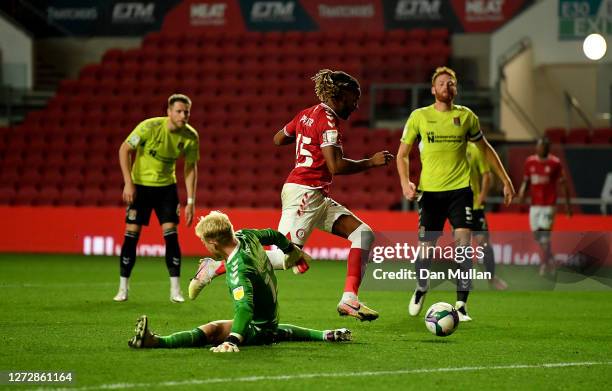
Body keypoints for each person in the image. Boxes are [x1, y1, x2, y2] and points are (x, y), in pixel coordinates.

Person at [191, 69, 394, 321]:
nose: (356, 104)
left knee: (363, 234)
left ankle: (349, 299)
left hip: (315, 193)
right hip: (305, 193)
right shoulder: (329, 121)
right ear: (340, 95)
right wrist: (370, 162)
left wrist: (304, 136)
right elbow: (336, 166)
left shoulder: (306, 114)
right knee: (283, 257)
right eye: (354, 98)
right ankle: (213, 267)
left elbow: (278, 139)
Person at [127, 211, 352, 352]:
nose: (205, 246)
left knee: (214, 330)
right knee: (274, 330)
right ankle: (324, 334)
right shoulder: (247, 236)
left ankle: (156, 342)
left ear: (213, 241)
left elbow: (244, 309)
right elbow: (273, 234)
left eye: (205, 243)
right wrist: (290, 249)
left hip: (258, 326)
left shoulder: (238, 271)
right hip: (270, 318)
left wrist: (233, 340)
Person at [396, 67, 515, 322]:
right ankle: (421, 287)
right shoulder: (419, 117)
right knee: (425, 249)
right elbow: (402, 155)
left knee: (463, 249)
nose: (447, 86)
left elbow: (486, 150)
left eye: (451, 83)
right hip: (430, 194)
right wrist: (406, 182)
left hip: (460, 192)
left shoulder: (467, 117)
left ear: (455, 89)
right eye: (442, 83)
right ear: (433, 89)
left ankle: (461, 305)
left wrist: (505, 180)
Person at [113, 94, 199, 303]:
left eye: (186, 111)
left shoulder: (190, 136)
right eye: (178, 111)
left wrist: (190, 201)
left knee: (171, 235)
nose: (183, 115)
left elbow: (190, 168)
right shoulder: (148, 127)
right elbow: (125, 149)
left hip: (166, 190)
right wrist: (128, 182)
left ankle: (175, 290)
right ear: (168, 112)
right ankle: (123, 288)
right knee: (131, 235)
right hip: (140, 187)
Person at [517, 137, 571, 275]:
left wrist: (567, 205)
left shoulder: (555, 163)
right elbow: (526, 180)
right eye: (539, 146)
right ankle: (551, 260)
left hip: (549, 205)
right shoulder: (530, 162)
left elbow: (563, 184)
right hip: (534, 205)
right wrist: (522, 192)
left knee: (544, 236)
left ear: (548, 148)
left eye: (543, 147)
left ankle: (545, 264)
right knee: (537, 236)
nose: (540, 149)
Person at [466, 142, 508, 290]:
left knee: (484, 245)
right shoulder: (450, 148)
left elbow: (486, 174)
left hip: (476, 207)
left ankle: (491, 278)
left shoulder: (475, 149)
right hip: (457, 207)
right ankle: (466, 281)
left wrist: (482, 195)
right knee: (463, 246)